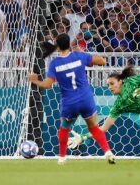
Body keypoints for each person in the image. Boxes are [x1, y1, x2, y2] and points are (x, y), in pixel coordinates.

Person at [28, 33, 115, 165]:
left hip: (69, 102)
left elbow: (47, 85)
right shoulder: (79, 56)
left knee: (64, 128)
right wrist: (85, 53)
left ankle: (62, 157)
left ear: (57, 46)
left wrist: (35, 81)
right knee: (94, 128)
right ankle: (108, 152)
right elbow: (102, 61)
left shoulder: (55, 64)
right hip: (86, 99)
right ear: (69, 44)